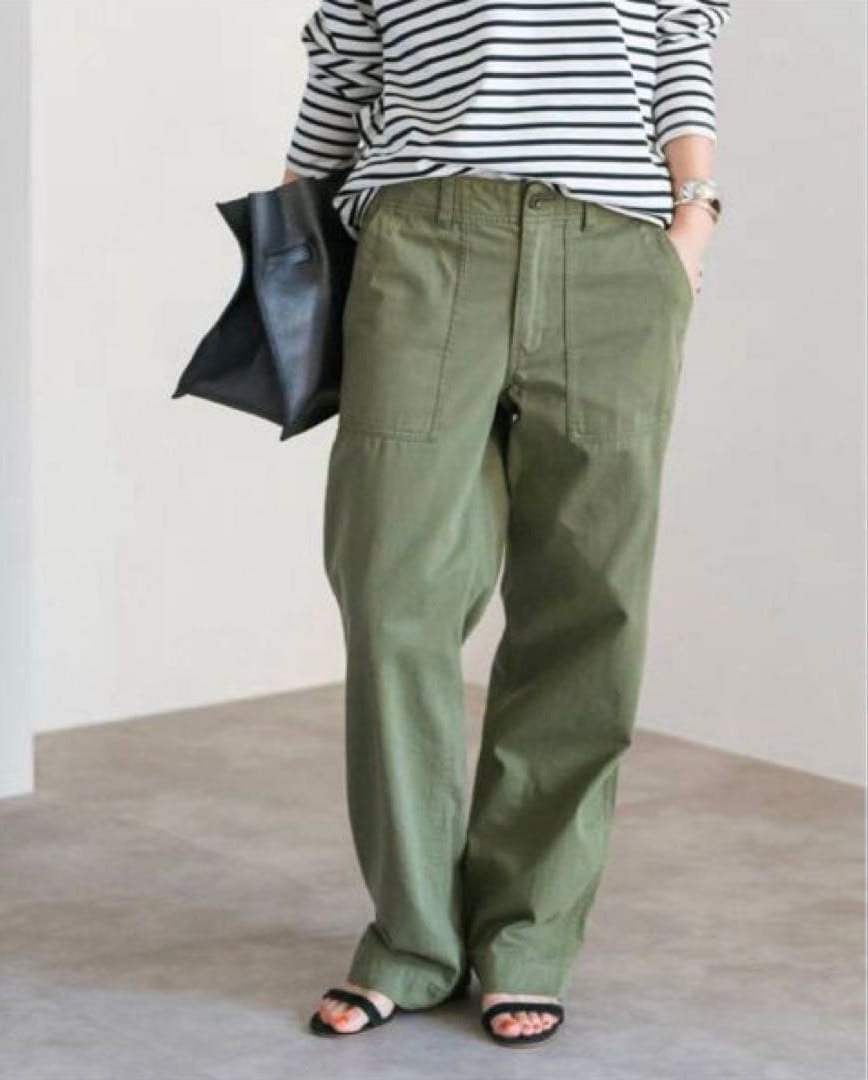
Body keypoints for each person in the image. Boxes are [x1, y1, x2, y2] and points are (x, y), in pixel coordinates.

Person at [282, 0, 732, 1049]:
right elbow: (342, 66)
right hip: (424, 245)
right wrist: (288, 245)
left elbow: (680, 40)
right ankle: (412, 938)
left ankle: (527, 941)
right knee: (392, 588)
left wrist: (693, 220)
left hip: (615, 250)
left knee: (589, 604)